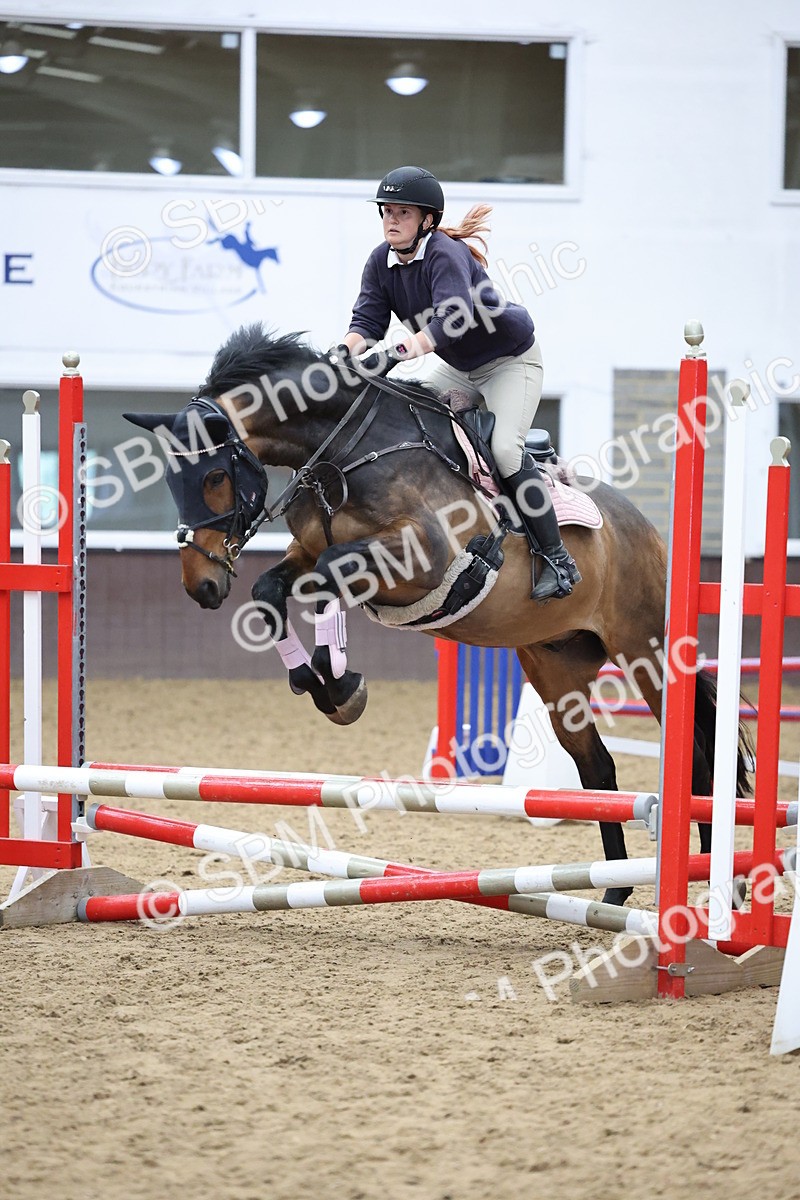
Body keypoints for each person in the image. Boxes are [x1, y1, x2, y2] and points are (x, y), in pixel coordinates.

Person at [331, 165, 580, 603]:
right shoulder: (380, 261)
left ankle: (558, 559)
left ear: (427, 219)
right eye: (387, 212)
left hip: (509, 362)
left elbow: (452, 320)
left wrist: (396, 353)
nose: (391, 220)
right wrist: (343, 353)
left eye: (403, 213)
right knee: (413, 417)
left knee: (505, 451)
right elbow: (367, 320)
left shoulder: (445, 254)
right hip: (458, 367)